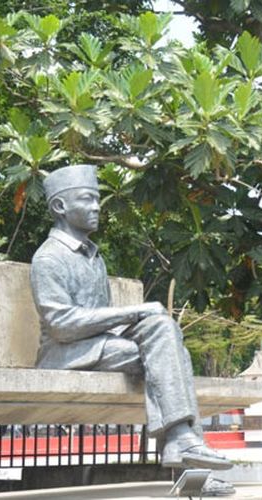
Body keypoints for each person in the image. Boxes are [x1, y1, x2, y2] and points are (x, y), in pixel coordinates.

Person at [30, 164, 231, 472]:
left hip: (97, 347)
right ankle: (187, 458)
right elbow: (62, 325)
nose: (97, 206)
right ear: (60, 206)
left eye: (98, 198)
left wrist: (141, 321)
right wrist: (136, 311)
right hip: (66, 353)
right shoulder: (49, 257)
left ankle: (183, 445)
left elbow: (99, 317)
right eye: (87, 199)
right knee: (169, 354)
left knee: (164, 331)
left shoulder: (93, 256)